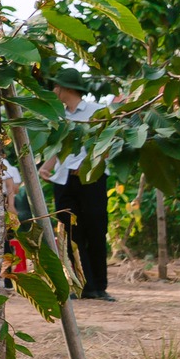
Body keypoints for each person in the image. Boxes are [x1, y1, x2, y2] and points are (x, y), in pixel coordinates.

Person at [47, 76, 113, 301]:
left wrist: (88, 165)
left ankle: (99, 287)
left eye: (56, 86)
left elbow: (107, 142)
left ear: (65, 87)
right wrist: (46, 168)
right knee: (68, 233)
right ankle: (81, 286)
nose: (54, 90)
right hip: (64, 180)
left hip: (91, 178)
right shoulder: (59, 116)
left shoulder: (96, 111)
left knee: (95, 229)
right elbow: (58, 147)